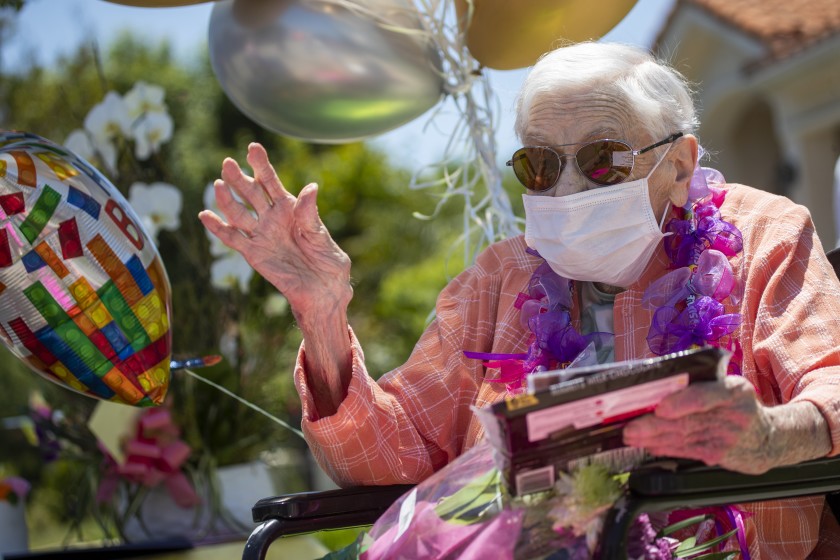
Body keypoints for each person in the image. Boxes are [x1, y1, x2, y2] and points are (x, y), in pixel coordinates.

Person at [199, 42, 840, 558]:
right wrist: (323, 314)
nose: (564, 188)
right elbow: (386, 461)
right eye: (539, 164)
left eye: (602, 160)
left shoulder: (765, 236)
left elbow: (831, 383)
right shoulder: (500, 277)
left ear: (678, 164)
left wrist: (767, 435)